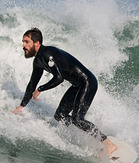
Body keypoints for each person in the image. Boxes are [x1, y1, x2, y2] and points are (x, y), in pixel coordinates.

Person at [12, 27, 117, 156]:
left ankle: (108, 144)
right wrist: (21, 106)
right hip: (77, 85)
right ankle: (86, 137)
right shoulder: (38, 61)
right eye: (23, 42)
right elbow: (31, 84)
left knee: (77, 118)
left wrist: (40, 89)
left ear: (36, 43)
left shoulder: (47, 54)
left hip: (88, 82)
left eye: (26, 42)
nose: (23, 45)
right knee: (60, 115)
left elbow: (59, 78)